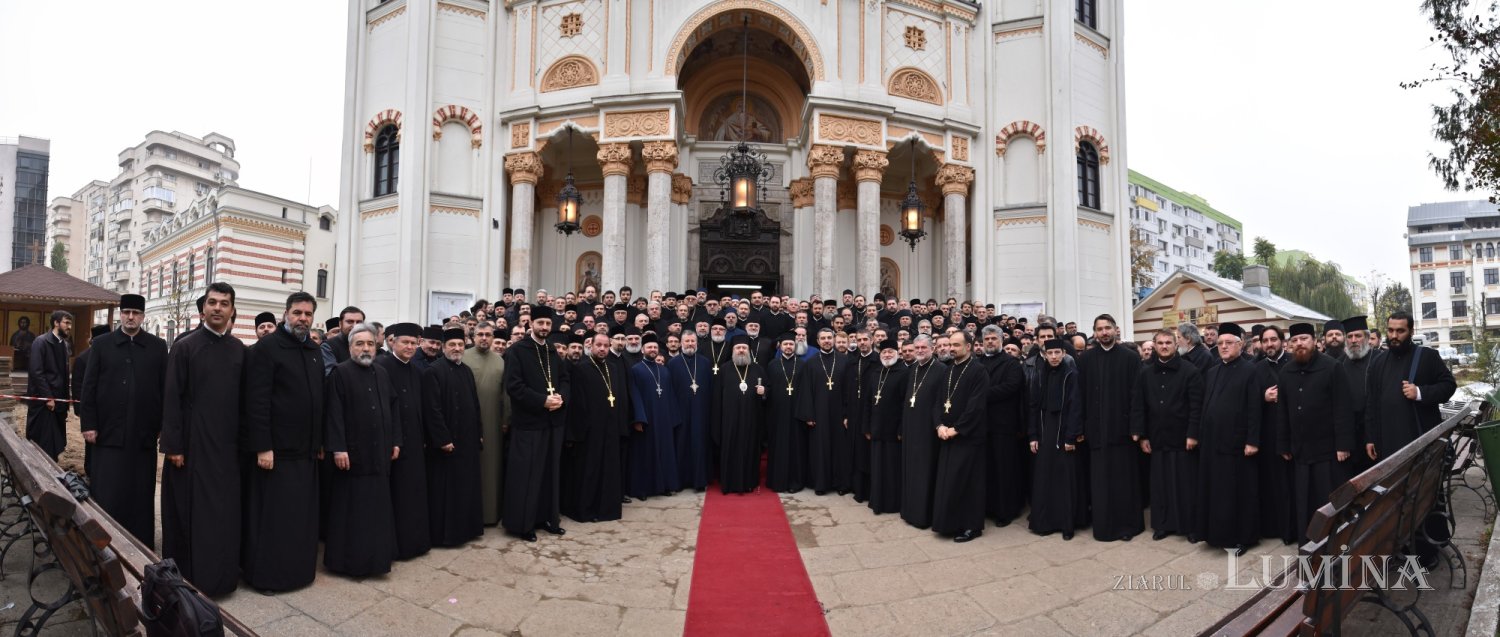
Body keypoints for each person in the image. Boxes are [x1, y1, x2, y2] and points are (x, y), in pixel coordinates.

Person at [160, 282, 245, 597]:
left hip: (228, 448)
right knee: (191, 513)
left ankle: (222, 577)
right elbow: (172, 397)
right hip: (192, 446)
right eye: (213, 302)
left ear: (232, 310)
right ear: (204, 308)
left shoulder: (239, 350)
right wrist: (173, 445)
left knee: (224, 514)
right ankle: (189, 578)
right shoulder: (185, 346)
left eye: (224, 303)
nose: (218, 308)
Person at [241, 291, 324, 593]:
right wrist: (263, 446)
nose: (303, 318)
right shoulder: (267, 348)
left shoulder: (313, 350)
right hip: (275, 453)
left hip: (305, 452)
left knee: (300, 520)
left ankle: (299, 574)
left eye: (308, 314)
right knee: (273, 520)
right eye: (297, 313)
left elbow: (318, 399)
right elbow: (257, 401)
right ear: (286, 314)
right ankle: (268, 578)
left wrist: (319, 442)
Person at [1365, 311, 1456, 567]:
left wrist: (1420, 393)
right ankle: (1399, 549)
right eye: (1391, 330)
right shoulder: (1378, 362)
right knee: (1395, 503)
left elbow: (1449, 386)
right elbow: (1371, 403)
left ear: (1411, 331)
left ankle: (1427, 553)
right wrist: (1370, 438)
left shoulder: (1426, 357)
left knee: (1423, 498)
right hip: (1389, 447)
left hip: (1420, 444)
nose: (1394, 336)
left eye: (1400, 331)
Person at [80, 294, 166, 548]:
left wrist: (162, 426)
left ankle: (140, 545)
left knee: (140, 491)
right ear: (120, 314)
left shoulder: (157, 346)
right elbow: (89, 386)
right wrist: (88, 424)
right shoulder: (102, 344)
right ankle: (104, 543)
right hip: (107, 433)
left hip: (143, 434)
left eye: (135, 313)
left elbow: (164, 388)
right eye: (126, 312)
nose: (130, 317)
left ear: (143, 316)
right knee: (108, 490)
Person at [323, 323, 400, 577]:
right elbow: (333, 414)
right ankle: (349, 563)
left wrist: (395, 441)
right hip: (352, 457)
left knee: (376, 511)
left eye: (369, 344)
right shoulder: (340, 373)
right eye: (359, 344)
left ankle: (376, 561)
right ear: (350, 347)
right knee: (352, 512)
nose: (365, 348)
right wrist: (338, 448)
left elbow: (393, 408)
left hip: (378, 455)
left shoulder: (382, 373)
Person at [1276, 322, 1355, 545]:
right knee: (1303, 500)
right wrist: (1283, 444)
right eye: (1295, 340)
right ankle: (1308, 544)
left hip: (1328, 451)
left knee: (1327, 500)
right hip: (1300, 450)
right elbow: (1282, 411)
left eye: (1304, 339)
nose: (1299, 343)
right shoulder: (1286, 372)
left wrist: (1343, 444)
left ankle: (1333, 544)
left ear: (1314, 341)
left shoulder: (1332, 367)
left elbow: (1343, 407)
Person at [502, 306, 570, 542]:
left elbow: (564, 379)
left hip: (552, 423)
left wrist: (561, 397)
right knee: (527, 475)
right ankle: (524, 524)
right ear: (530, 324)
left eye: (548, 324)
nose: (544, 327)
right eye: (540, 323)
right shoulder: (517, 351)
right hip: (529, 424)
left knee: (550, 473)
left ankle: (548, 519)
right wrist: (542, 401)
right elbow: (514, 386)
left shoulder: (552, 350)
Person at [1129, 329, 1204, 541]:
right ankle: (1163, 524)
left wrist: (1193, 434)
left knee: (1185, 485)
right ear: (1154, 345)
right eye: (1160, 343)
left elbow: (1196, 406)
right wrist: (1142, 435)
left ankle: (1189, 526)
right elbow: (1138, 405)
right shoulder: (1145, 373)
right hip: (1156, 437)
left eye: (1168, 343)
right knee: (1160, 485)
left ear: (1175, 345)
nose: (1164, 346)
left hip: (1183, 438)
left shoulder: (1190, 371)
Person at [1197, 322, 1262, 556]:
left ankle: (1242, 538)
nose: (1223, 347)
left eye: (1228, 343)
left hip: (1238, 444)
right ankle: (1216, 534)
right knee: (1216, 492)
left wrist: (1252, 441)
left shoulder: (1250, 370)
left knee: (1238, 493)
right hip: (1213, 443)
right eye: (1220, 343)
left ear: (1240, 345)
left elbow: (1255, 409)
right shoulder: (1213, 371)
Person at [1077, 314, 1143, 542]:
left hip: (1123, 431)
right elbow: (1080, 396)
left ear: (1116, 329)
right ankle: (1104, 527)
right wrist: (1081, 427)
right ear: (1094, 332)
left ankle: (1127, 527)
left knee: (1124, 481)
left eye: (1107, 328)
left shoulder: (1130, 358)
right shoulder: (1085, 359)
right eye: (1100, 329)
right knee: (1100, 482)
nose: (1104, 332)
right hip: (1096, 431)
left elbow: (1137, 396)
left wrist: (1136, 427)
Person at [375, 322, 431, 559]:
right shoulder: (381, 367)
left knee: (414, 494)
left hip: (415, 444)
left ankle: (415, 543)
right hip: (392, 444)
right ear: (393, 342)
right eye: (405, 342)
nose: (409, 347)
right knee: (396, 496)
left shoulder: (417, 371)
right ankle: (396, 547)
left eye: (413, 343)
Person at [425, 327, 485, 546]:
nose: (457, 348)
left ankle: (467, 530)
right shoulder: (433, 371)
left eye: (460, 345)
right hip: (447, 443)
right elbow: (432, 410)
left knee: (466, 488)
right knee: (447, 492)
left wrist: (479, 433)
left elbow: (475, 405)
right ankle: (447, 536)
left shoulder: (466, 370)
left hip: (468, 441)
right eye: (452, 345)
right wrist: (442, 439)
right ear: (443, 347)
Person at [562, 333, 630, 522]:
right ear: (590, 346)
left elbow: (619, 398)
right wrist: (577, 433)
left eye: (606, 346)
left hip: (611, 429)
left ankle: (607, 509)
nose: (602, 349)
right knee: (590, 471)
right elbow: (577, 403)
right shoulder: (581, 369)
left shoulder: (613, 368)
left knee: (609, 470)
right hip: (590, 431)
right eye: (598, 345)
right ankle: (588, 510)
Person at [930, 332, 991, 542]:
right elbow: (938, 402)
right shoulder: (948, 370)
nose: (952, 348)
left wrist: (956, 429)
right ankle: (948, 523)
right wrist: (939, 425)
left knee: (969, 483)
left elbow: (976, 406)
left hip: (968, 437)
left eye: (956, 345)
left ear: (969, 346)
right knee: (950, 481)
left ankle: (971, 527)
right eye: (950, 345)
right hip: (947, 434)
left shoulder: (978, 371)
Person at [1028, 339, 1086, 540]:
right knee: (1045, 477)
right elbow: (1033, 406)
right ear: (1044, 354)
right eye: (1050, 353)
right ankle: (1045, 523)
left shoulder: (1071, 374)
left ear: (1063, 353)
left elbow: (1076, 407)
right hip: (1045, 431)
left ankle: (1066, 524)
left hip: (1064, 431)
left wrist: (1071, 437)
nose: (1053, 357)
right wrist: (1033, 435)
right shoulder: (1039, 375)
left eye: (1057, 353)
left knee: (1065, 479)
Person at [977, 324, 1027, 527]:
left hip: (1004, 425)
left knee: (1004, 469)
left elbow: (1011, 387)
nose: (990, 342)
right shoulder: (978, 362)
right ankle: (988, 508)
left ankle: (1005, 511)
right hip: (982, 424)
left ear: (1001, 340)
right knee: (986, 468)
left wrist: (981, 395)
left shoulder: (1011, 364)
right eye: (986, 339)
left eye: (993, 339)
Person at [1253, 325, 1296, 545]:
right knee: (1272, 484)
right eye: (1265, 341)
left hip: (1294, 433)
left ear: (1282, 341)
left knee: (1293, 483)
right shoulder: (1256, 368)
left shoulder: (1294, 362)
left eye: (1273, 339)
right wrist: (1263, 397)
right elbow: (1247, 400)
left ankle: (1293, 529)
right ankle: (1274, 528)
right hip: (1268, 435)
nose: (1269, 344)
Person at [462, 321, 508, 526]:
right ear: (473, 337)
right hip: (467, 423)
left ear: (493, 338)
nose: (484, 338)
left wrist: (506, 420)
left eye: (488, 335)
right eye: (480, 334)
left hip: (494, 423)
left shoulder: (500, 361)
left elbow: (506, 394)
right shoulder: (463, 357)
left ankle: (491, 514)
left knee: (492, 470)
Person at [900, 335, 947, 529]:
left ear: (932, 348)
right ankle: (909, 511)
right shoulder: (913, 369)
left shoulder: (941, 370)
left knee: (925, 471)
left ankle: (923, 516)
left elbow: (940, 402)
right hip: (911, 427)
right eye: (916, 347)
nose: (919, 351)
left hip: (928, 430)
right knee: (911, 470)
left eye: (923, 348)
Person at [626, 334, 682, 499]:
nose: (652, 350)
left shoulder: (664, 370)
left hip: (664, 419)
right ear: (643, 350)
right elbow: (634, 395)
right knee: (646, 454)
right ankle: (643, 489)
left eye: (655, 347)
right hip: (647, 419)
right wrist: (638, 418)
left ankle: (664, 485)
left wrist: (673, 417)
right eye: (649, 347)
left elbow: (671, 395)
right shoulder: (636, 370)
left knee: (664, 452)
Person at [798, 328, 851, 495]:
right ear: (818, 341)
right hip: (819, 413)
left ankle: (841, 484)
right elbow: (806, 390)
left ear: (834, 340)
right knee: (820, 449)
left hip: (839, 413)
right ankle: (821, 484)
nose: (827, 341)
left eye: (829, 338)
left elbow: (849, 389)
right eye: (823, 338)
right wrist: (809, 414)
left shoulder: (844, 361)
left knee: (840, 449)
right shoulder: (811, 363)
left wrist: (847, 414)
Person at [712, 336, 767, 494]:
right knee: (730, 450)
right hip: (729, 420)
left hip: (752, 419)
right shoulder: (724, 369)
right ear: (733, 350)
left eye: (744, 348)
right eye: (738, 348)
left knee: (750, 449)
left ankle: (749, 482)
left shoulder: (758, 369)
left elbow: (768, 390)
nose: (741, 350)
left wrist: (764, 392)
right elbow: (717, 397)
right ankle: (729, 483)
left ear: (749, 350)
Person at [867, 339, 908, 514]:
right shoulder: (876, 373)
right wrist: (867, 427)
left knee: (892, 469)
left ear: (897, 353)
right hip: (876, 428)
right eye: (884, 352)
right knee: (877, 468)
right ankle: (877, 501)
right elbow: (868, 402)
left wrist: (901, 429)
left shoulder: (904, 373)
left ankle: (892, 504)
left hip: (893, 431)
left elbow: (905, 404)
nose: (887, 354)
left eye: (891, 351)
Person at [670, 331, 713, 492]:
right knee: (681, 445)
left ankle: (699, 480)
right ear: (681, 343)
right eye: (687, 341)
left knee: (699, 445)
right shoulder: (673, 363)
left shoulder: (705, 362)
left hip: (701, 412)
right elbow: (670, 391)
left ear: (697, 343)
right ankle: (681, 481)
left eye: (692, 341)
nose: (690, 344)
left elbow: (710, 388)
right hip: (681, 412)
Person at [26, 310, 72, 460]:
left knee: (56, 440)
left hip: (59, 401)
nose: (69, 326)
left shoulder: (64, 344)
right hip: (44, 402)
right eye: (66, 322)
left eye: (70, 323)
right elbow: (36, 372)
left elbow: (63, 374)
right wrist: (48, 397)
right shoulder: (40, 342)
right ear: (56, 323)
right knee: (43, 440)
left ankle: (52, 466)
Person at [764, 333, 808, 493]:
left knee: (796, 447)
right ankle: (777, 481)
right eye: (785, 344)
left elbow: (807, 390)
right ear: (780, 346)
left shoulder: (803, 365)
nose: (788, 347)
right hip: (777, 414)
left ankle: (795, 482)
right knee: (778, 447)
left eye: (791, 344)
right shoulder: (772, 365)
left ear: (795, 346)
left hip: (797, 413)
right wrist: (764, 391)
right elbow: (768, 387)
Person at [1339, 316, 1382, 476]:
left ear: (1367, 337)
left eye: (1358, 336)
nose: (1353, 340)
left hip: (1376, 431)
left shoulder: (1380, 358)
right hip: (1350, 436)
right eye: (1349, 336)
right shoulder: (1339, 363)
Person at [843, 330, 878, 503]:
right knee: (855, 451)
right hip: (853, 413)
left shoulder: (878, 361)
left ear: (872, 341)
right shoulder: (852, 361)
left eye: (865, 339)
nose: (862, 343)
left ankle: (869, 490)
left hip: (870, 413)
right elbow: (846, 390)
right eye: (859, 340)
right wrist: (846, 414)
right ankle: (856, 487)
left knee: (867, 452)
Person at [74, 324, 110, 477]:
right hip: (91, 409)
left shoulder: (113, 356)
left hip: (109, 410)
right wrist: (81, 410)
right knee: (91, 442)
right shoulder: (83, 358)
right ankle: (91, 471)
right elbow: (78, 386)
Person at [321, 306, 366, 375]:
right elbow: (332, 376)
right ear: (340, 324)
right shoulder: (328, 347)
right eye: (350, 322)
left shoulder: (368, 346)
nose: (355, 326)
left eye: (359, 322)